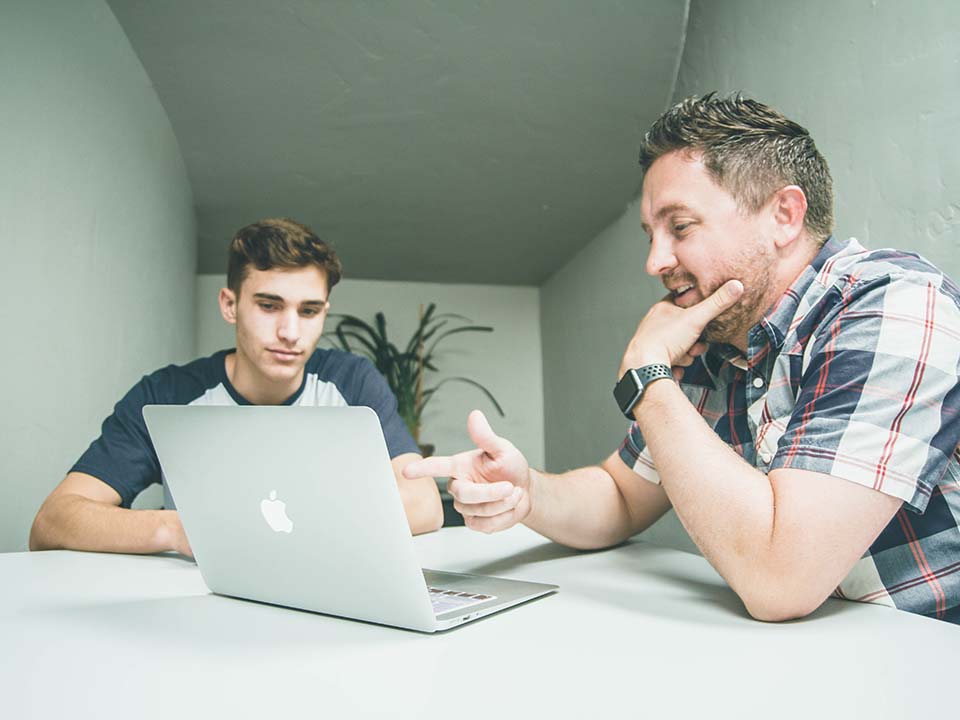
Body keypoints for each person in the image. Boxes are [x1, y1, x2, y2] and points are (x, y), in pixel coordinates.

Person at [406, 93, 960, 623]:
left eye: (681, 227)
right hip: (817, 652)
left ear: (785, 216)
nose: (655, 261)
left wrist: (648, 377)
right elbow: (622, 495)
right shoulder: (717, 340)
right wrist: (529, 492)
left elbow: (781, 580)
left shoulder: (896, 304)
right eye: (651, 234)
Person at [31, 218, 443, 556]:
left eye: (309, 311)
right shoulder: (167, 394)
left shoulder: (352, 381)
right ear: (230, 305)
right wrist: (178, 529)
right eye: (269, 306)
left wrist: (283, 523)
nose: (290, 332)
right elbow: (54, 521)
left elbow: (425, 505)